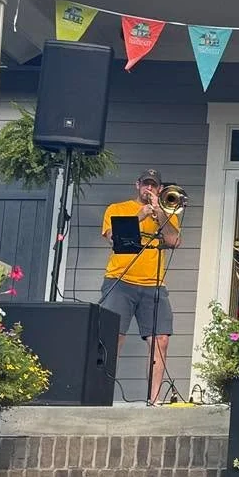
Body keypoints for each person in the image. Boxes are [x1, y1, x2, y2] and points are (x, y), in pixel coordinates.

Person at [100, 168, 182, 406]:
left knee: (161, 340)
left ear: (159, 188)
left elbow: (173, 241)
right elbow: (112, 237)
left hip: (154, 284)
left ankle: (154, 399)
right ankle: (101, 396)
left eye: (154, 185)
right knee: (112, 338)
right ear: (137, 185)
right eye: (146, 184)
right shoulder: (117, 209)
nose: (150, 189)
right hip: (120, 281)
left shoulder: (168, 212)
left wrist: (160, 213)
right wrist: (141, 214)